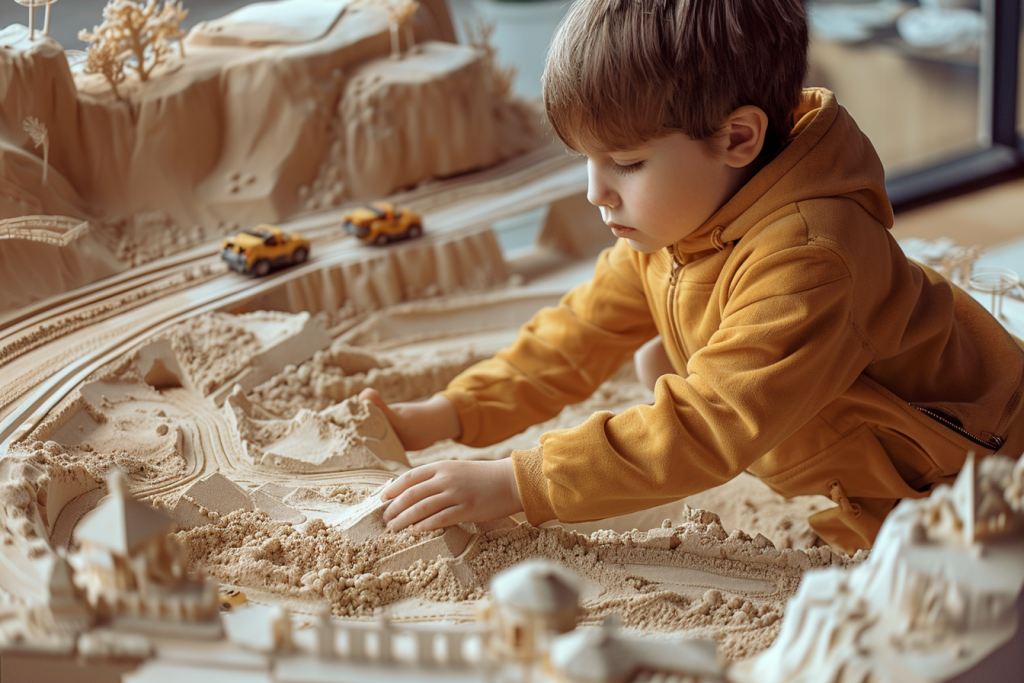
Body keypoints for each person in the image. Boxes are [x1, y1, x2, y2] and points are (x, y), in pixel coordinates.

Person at [360, 0, 1024, 554]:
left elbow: (706, 429)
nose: (598, 193)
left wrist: (518, 482)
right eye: (589, 161)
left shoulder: (815, 259)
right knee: (651, 348)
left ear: (738, 139)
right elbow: (578, 331)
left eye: (625, 162)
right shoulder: (676, 223)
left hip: (961, 471)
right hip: (843, 444)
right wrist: (453, 411)